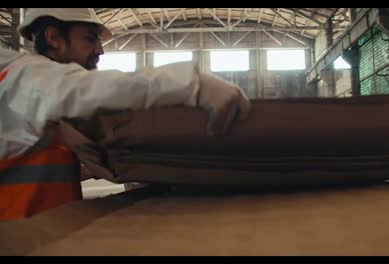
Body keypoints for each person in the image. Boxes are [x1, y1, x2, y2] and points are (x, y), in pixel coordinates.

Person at [0, 8, 251, 221]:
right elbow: (89, 89)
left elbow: (32, 167)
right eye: (90, 39)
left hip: (48, 232)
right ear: (54, 37)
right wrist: (192, 83)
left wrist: (102, 165)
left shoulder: (41, 105)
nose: (100, 51)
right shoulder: (25, 79)